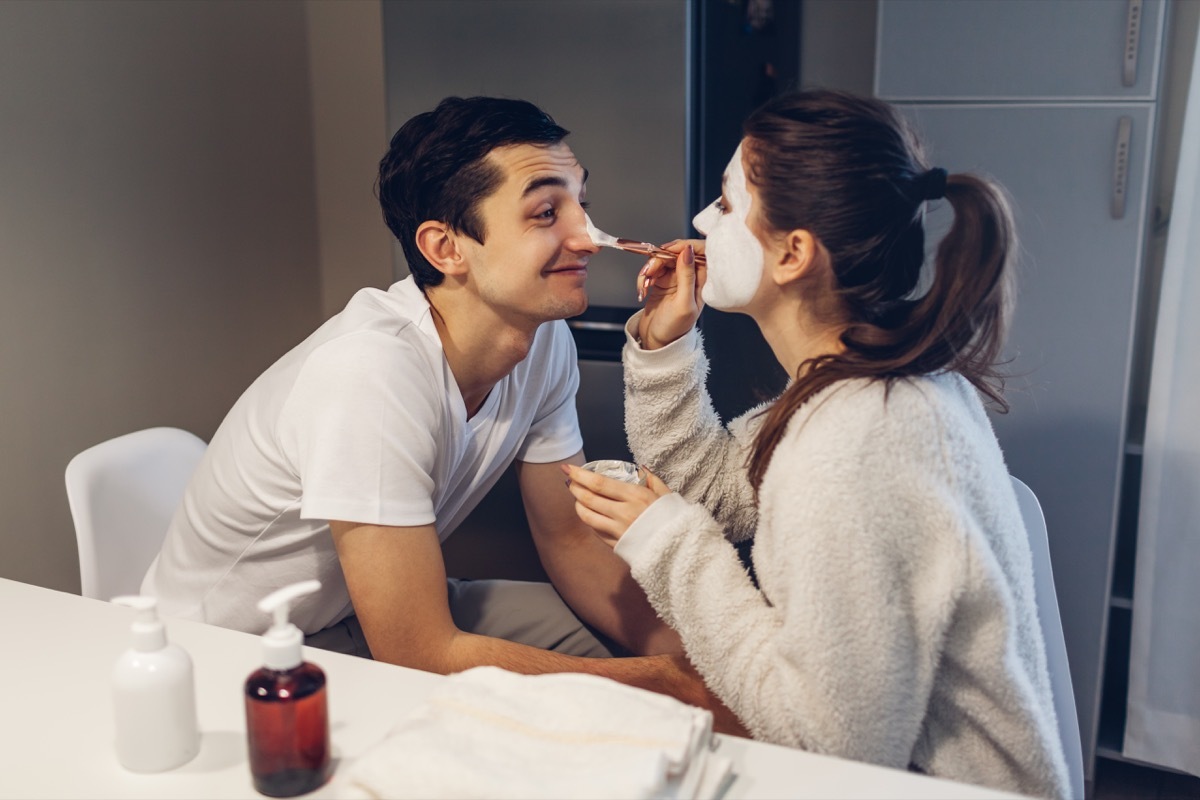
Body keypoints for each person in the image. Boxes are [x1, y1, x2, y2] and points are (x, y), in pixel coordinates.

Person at [142, 96, 731, 722]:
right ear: (446, 249)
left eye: (581, 202)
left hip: (362, 616)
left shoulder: (543, 340)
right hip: (243, 660)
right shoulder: (369, 373)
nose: (586, 235)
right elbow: (417, 651)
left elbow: (570, 540)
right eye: (545, 212)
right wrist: (667, 687)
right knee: (631, 699)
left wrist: (710, 662)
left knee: (670, 658)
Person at [564, 89, 1071, 798]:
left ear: (795, 253)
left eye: (728, 204)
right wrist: (663, 342)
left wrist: (670, 544)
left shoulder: (858, 443)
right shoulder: (854, 388)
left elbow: (829, 743)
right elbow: (713, 487)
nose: (702, 222)